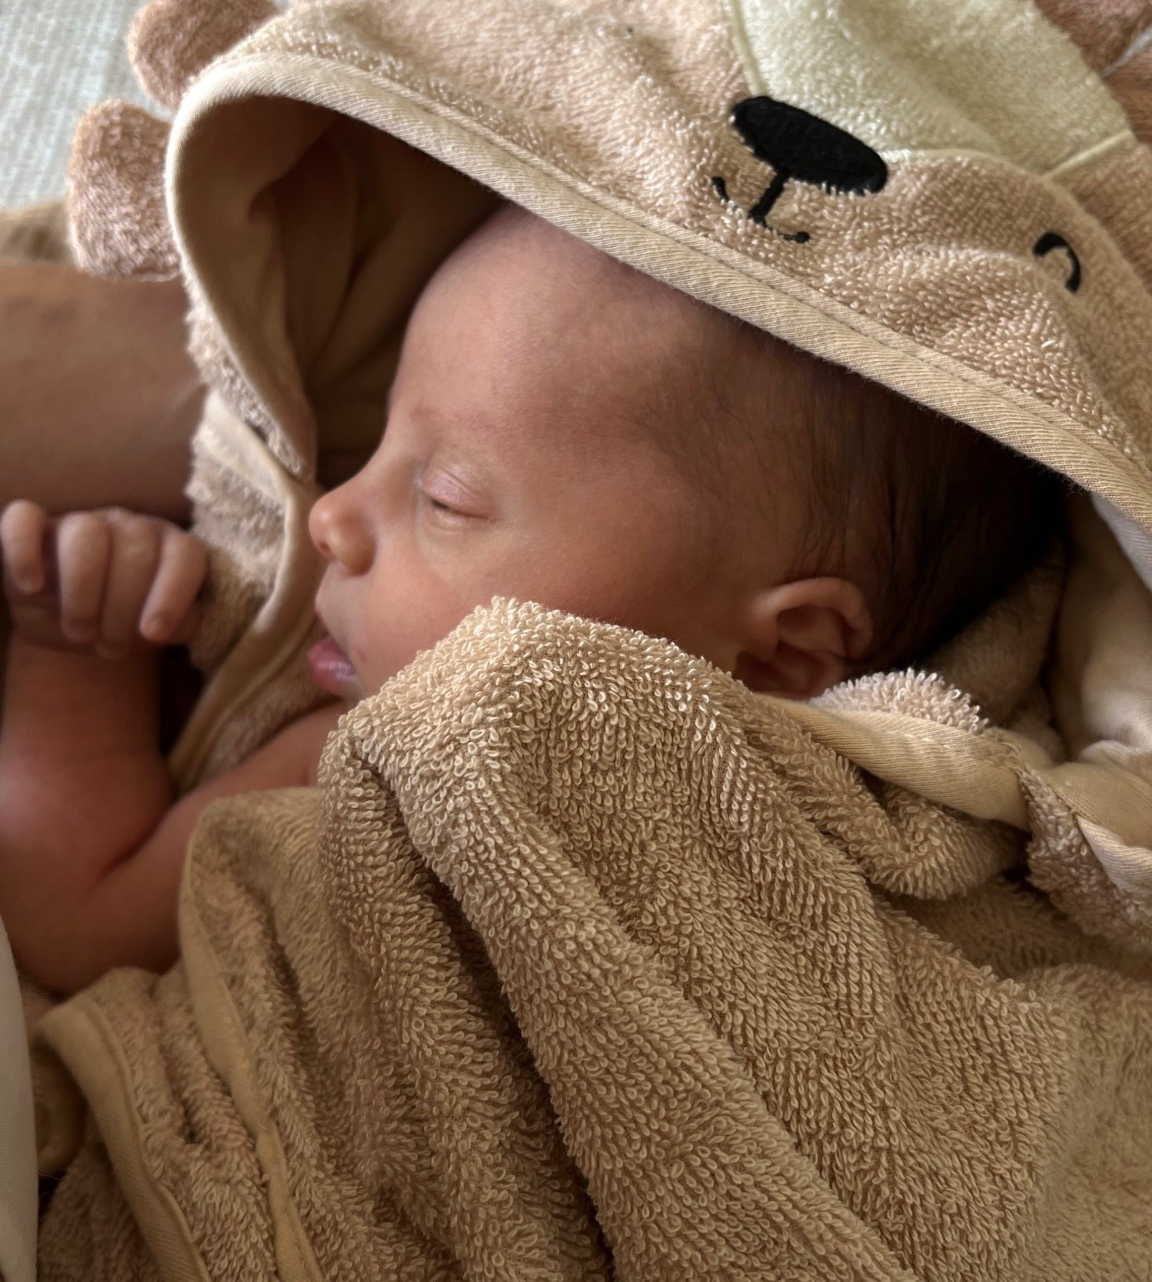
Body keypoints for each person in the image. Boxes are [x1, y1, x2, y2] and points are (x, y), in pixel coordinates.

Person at [0, 199, 1060, 998]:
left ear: (782, 655)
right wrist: (85, 642)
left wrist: (73, 647)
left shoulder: (422, 745)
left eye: (445, 497)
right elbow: (81, 921)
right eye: (375, 445)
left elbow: (74, 923)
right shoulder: (358, 738)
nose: (328, 515)